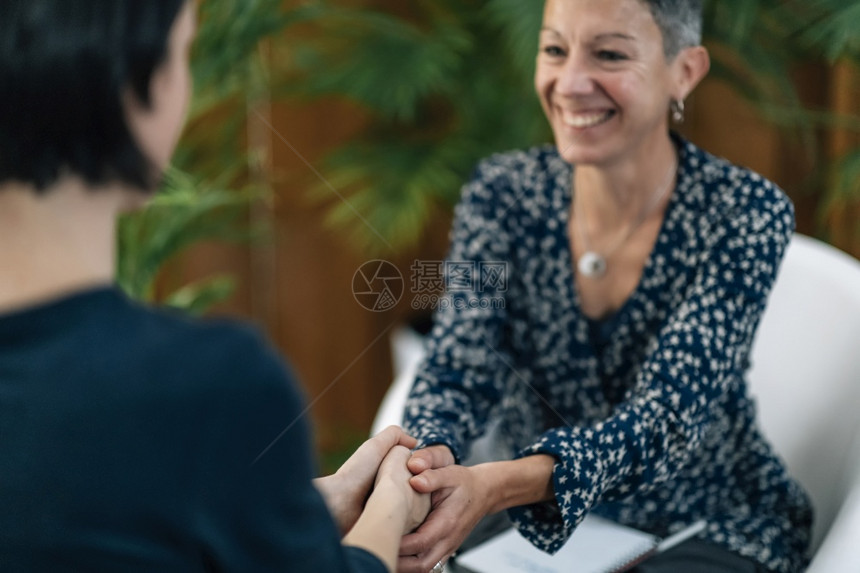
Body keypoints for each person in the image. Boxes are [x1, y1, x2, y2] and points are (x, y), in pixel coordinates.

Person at [0, 1, 428, 572]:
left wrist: (300, 507)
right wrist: (392, 504)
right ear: (137, 89)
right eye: (182, 55)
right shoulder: (206, 386)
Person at [400, 1, 813, 572]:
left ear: (684, 72)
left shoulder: (745, 213)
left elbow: (667, 418)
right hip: (523, 525)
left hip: (705, 521)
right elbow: (458, 368)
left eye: (610, 54)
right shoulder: (499, 195)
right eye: (554, 49)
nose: (569, 84)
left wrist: (496, 485)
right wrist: (428, 463)